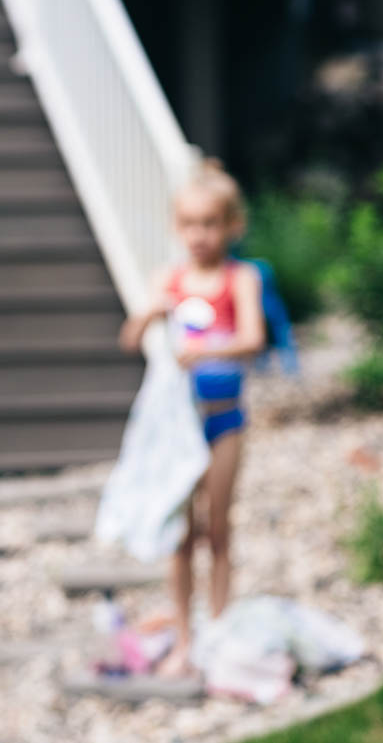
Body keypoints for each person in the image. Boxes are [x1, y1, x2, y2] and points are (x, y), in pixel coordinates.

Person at [118, 159, 266, 676]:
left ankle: (217, 632)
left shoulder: (238, 278)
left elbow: (253, 338)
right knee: (181, 535)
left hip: (225, 420)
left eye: (210, 223)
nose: (199, 235)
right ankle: (184, 637)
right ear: (176, 228)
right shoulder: (172, 279)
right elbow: (130, 339)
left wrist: (204, 351)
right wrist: (150, 311)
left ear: (231, 226)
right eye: (190, 224)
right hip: (180, 428)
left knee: (218, 528)